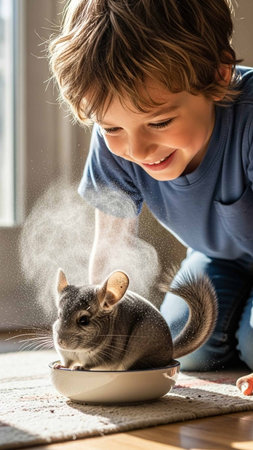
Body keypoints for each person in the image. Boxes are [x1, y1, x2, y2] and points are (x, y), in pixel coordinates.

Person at [49, 0, 253, 372]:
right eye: (111, 128)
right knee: (181, 346)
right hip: (219, 258)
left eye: (159, 123)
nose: (135, 149)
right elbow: (111, 249)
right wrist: (101, 343)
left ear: (220, 73)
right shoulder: (117, 144)